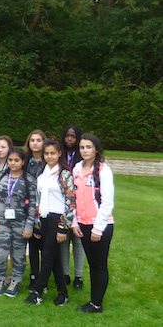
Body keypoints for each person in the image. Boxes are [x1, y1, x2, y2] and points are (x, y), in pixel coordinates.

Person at [25, 138, 75, 306]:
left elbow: (70, 202)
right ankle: (63, 293)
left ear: (59, 153)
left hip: (57, 220)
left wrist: (63, 227)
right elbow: (39, 200)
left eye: (53, 153)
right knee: (53, 259)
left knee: (47, 255)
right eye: (46, 153)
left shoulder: (64, 174)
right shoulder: (42, 173)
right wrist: (37, 223)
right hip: (44, 219)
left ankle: (38, 291)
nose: (49, 156)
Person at [73, 134, 114, 314]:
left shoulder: (104, 170)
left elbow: (107, 202)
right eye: (82, 147)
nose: (85, 150)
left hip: (100, 226)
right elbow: (72, 198)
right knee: (92, 264)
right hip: (82, 224)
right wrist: (75, 222)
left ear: (96, 149)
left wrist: (98, 228)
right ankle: (93, 300)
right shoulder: (76, 168)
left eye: (88, 147)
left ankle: (97, 304)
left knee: (99, 265)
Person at [0, 148, 37, 298]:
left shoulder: (29, 180)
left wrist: (29, 225)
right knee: (0, 254)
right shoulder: (2, 176)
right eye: (10, 160)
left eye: (16, 160)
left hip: (20, 223)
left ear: (23, 162)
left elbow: (32, 205)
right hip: (2, 222)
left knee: (18, 255)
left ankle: (15, 282)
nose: (13, 163)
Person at [60, 125, 85, 289]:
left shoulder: (81, 158)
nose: (69, 139)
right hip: (62, 205)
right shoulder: (59, 154)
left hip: (80, 206)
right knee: (63, 242)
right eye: (67, 136)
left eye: (73, 136)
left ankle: (78, 275)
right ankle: (65, 274)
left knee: (78, 243)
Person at [24, 128, 46, 291]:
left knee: (45, 246)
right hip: (30, 207)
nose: (35, 143)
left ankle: (44, 278)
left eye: (38, 140)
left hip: (45, 207)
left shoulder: (49, 161)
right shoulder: (25, 162)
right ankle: (33, 276)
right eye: (32, 140)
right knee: (32, 245)